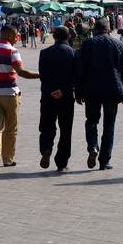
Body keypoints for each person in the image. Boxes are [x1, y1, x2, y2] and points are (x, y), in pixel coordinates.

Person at [0, 25, 39, 170]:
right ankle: (7, 159)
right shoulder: (12, 51)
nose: (17, 38)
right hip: (9, 94)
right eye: (16, 36)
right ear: (11, 36)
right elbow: (22, 72)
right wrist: (41, 74)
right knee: (11, 128)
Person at [76, 19, 123, 170]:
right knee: (109, 125)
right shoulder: (118, 44)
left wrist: (78, 92)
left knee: (91, 121)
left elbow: (80, 70)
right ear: (108, 30)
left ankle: (93, 147)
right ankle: (104, 160)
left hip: (91, 90)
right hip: (112, 90)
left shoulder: (87, 44)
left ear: (95, 30)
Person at [38, 26, 77, 172]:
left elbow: (43, 75)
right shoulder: (73, 54)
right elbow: (76, 77)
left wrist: (53, 90)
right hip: (66, 98)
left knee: (47, 126)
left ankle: (46, 150)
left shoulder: (45, 53)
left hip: (48, 96)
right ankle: (62, 162)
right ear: (68, 37)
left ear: (54, 37)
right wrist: (64, 90)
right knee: (66, 130)